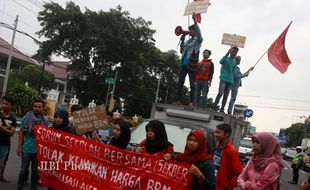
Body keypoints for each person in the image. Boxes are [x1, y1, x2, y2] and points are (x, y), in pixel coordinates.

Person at [17, 100, 49, 190]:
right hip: (26, 148)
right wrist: (19, 147)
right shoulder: (26, 118)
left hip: (38, 150)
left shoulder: (45, 120)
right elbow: (21, 133)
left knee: (35, 172)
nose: (37, 108)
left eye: (39, 107)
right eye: (35, 106)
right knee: (23, 170)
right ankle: (20, 187)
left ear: (43, 108)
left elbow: (46, 136)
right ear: (32, 107)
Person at [176, 13, 203, 106]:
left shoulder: (198, 41)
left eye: (192, 30)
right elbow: (181, 51)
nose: (190, 32)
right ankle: (178, 100)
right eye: (190, 30)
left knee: (192, 84)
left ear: (195, 31)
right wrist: (182, 40)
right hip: (183, 64)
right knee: (180, 83)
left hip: (192, 65)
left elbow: (199, 33)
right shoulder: (188, 41)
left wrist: (195, 21)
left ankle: (191, 102)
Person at [214, 123, 243, 190]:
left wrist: (229, 186)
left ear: (226, 134)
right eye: (215, 132)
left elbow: (238, 172)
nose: (216, 135)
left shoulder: (232, 151)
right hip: (214, 185)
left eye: (218, 132)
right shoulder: (218, 147)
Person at [212, 46, 239, 113]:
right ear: (230, 51)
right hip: (223, 78)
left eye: (236, 52)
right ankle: (215, 106)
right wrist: (227, 53)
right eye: (233, 51)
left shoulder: (234, 61)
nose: (234, 53)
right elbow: (220, 62)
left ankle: (222, 108)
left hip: (230, 80)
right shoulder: (226, 58)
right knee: (220, 93)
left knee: (226, 95)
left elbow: (233, 70)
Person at [0, 96, 17, 183]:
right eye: (3, 103)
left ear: (11, 106)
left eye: (7, 104)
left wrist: (2, 127)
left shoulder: (13, 117)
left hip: (5, 142)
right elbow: (10, 131)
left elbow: (12, 133)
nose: (4, 105)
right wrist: (7, 128)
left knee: (3, 161)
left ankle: (1, 176)